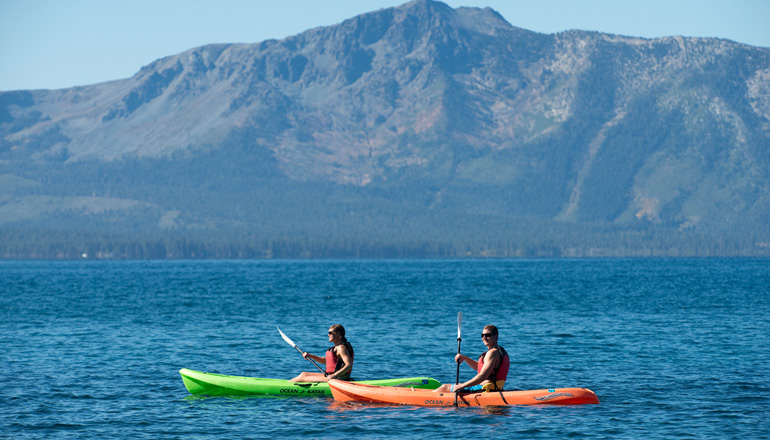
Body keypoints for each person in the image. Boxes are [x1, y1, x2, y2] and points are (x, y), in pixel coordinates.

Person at [435, 324, 509, 393]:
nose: (484, 338)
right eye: (482, 335)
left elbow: (483, 376)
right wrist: (465, 358)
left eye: (487, 335)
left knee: (444, 387)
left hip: (484, 389)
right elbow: (480, 367)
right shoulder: (499, 351)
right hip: (495, 388)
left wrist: (462, 385)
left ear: (496, 336)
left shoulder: (492, 353)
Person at [290, 324, 354, 382]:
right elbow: (325, 360)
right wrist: (310, 356)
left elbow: (349, 365)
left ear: (338, 334)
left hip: (338, 378)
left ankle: (284, 387)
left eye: (330, 333)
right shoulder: (336, 348)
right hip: (332, 376)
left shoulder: (341, 348)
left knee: (301, 378)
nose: (328, 335)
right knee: (303, 374)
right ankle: (288, 383)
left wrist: (334, 375)